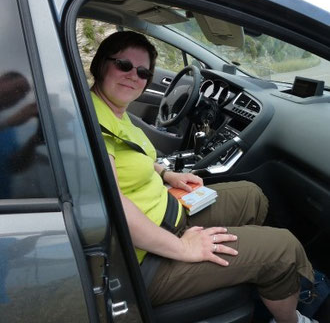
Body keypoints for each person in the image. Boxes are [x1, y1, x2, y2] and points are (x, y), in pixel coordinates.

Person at [90, 30, 316, 323]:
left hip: (167, 213)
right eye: (124, 65)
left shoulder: (112, 113)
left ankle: (259, 276)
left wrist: (167, 174)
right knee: (282, 249)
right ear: (100, 64)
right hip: (142, 259)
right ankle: (290, 317)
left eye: (143, 71)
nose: (134, 75)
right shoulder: (94, 124)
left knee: (251, 195)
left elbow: (136, 159)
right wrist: (183, 248)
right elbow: (114, 207)